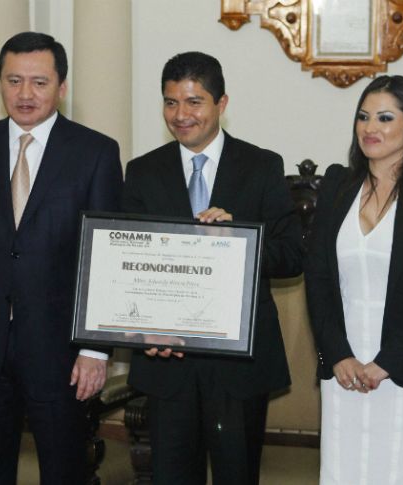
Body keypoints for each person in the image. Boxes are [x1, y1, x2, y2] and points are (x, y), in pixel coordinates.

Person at [0, 31, 123, 484]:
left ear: (62, 87)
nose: (25, 94)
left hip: (61, 354)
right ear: (0, 83)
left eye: (40, 82)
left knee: (64, 472)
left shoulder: (96, 152)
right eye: (14, 80)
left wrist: (94, 348)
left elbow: (104, 259)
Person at [122, 51, 303, 484]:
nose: (180, 115)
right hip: (167, 362)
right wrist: (144, 330)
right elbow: (129, 266)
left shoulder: (262, 166)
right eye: (170, 102)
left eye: (194, 102)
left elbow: (292, 255)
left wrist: (239, 239)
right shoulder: (143, 172)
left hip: (237, 367)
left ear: (221, 104)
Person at [304, 75, 403, 484]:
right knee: (344, 473)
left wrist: (386, 364)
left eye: (385, 117)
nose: (370, 128)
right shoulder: (339, 183)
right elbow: (319, 278)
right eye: (363, 117)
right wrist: (337, 354)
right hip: (345, 368)